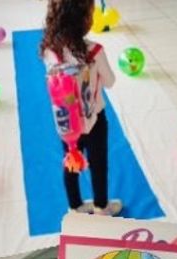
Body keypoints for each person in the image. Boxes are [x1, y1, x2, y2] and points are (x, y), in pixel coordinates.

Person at [42, 0, 121, 216]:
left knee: (70, 160)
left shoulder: (50, 51)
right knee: (98, 164)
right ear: (84, 19)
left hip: (66, 120)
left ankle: (75, 206)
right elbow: (110, 82)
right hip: (94, 118)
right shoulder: (94, 51)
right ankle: (101, 207)